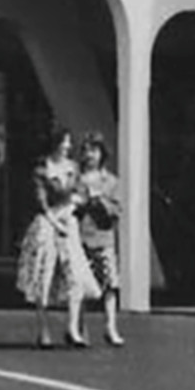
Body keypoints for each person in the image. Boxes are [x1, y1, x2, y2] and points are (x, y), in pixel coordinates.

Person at [13, 132, 97, 349]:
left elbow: (81, 194)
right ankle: (43, 330)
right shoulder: (42, 170)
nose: (66, 146)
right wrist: (55, 220)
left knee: (75, 274)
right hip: (47, 224)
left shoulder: (73, 168)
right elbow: (41, 202)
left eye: (68, 142)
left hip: (68, 221)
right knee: (43, 274)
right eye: (63, 142)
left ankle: (72, 328)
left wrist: (71, 209)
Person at [75, 134, 127, 347]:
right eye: (87, 150)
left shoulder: (111, 182)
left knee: (109, 284)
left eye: (95, 150)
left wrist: (99, 200)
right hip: (80, 237)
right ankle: (80, 328)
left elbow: (117, 211)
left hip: (103, 237)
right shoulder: (76, 179)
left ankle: (111, 327)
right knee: (80, 285)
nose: (90, 155)